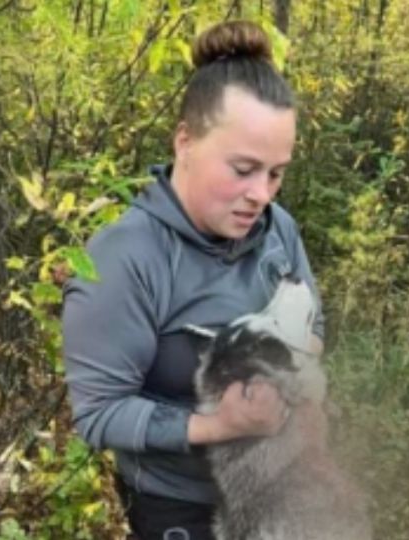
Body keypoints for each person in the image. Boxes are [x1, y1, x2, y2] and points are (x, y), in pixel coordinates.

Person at [61, 20, 325, 540]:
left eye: (276, 172)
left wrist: (296, 364)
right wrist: (218, 426)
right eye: (243, 168)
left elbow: (315, 322)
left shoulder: (279, 231)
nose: (261, 194)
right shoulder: (125, 258)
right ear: (185, 141)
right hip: (180, 506)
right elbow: (99, 414)